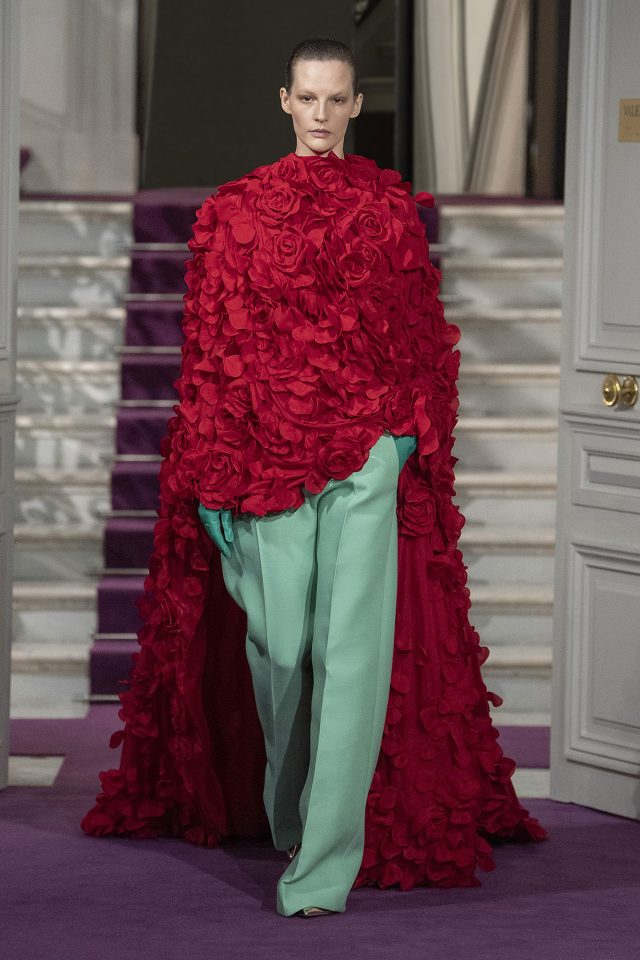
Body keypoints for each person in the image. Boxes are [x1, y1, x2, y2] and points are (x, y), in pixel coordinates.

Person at [81, 37, 547, 919]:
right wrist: (210, 472)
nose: (323, 115)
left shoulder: (388, 210)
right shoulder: (232, 212)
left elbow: (420, 332)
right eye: (309, 98)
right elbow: (209, 348)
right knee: (282, 648)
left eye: (338, 99)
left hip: (366, 454)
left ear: (356, 105)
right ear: (285, 101)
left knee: (351, 654)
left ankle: (322, 863)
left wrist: (404, 441)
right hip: (266, 458)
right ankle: (292, 814)